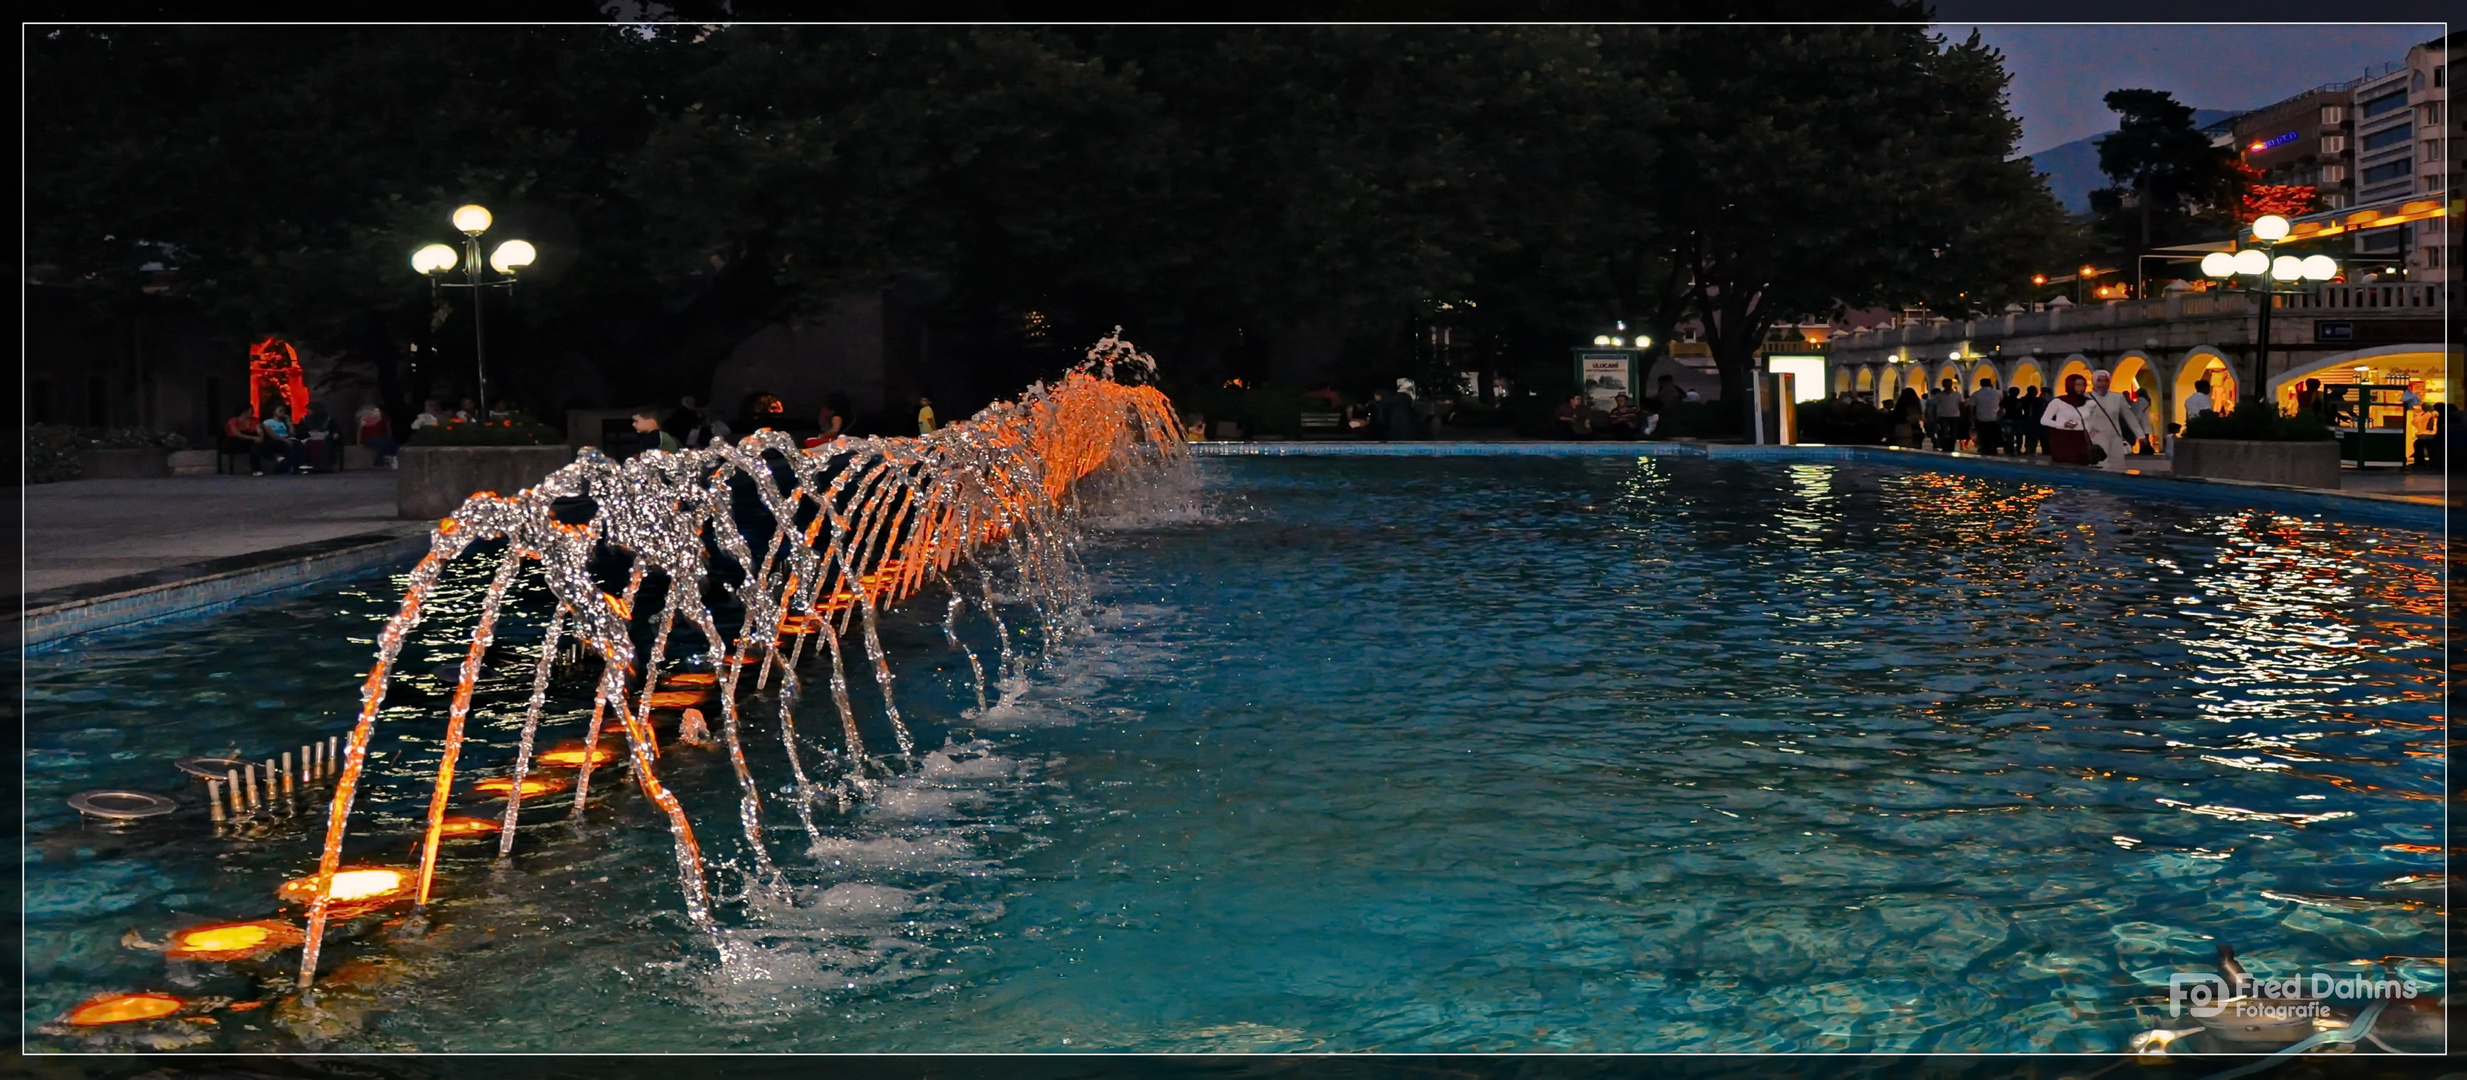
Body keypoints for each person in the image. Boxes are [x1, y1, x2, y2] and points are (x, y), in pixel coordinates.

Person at [2078, 369, 2148, 471]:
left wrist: (2140, 435)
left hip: (2115, 436)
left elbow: (2129, 417)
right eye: (2100, 381)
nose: (2103, 384)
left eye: (2105, 381)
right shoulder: (2086, 397)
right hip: (2096, 436)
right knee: (2101, 465)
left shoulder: (2117, 397)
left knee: (2118, 465)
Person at [2039, 374, 2093, 465]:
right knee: (2064, 466)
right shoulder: (2058, 402)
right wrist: (2063, 424)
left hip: (2081, 438)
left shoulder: (2089, 402)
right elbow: (2044, 420)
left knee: (2082, 464)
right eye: (2077, 385)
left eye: (2083, 385)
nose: (2081, 388)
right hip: (2063, 438)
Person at [223, 404, 272, 475]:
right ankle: (269, 458)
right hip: (237, 441)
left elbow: (259, 429)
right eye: (251, 411)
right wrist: (254, 438)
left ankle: (257, 468)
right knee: (253, 444)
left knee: (256, 446)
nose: (252, 413)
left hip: (252, 440)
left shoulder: (254, 420)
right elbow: (237, 434)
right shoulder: (233, 421)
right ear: (244, 412)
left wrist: (260, 435)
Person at [295, 402, 343, 472]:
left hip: (325, 437)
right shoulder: (305, 419)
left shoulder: (328, 419)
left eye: (309, 410)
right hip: (309, 438)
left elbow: (335, 429)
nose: (308, 412)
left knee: (327, 443)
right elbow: (301, 431)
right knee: (303, 444)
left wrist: (335, 433)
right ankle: (309, 465)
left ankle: (326, 466)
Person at [355, 404, 399, 468]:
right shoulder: (366, 418)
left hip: (381, 438)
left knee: (392, 443)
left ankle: (391, 462)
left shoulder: (384, 418)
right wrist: (358, 442)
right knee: (382, 444)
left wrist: (388, 438)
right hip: (369, 438)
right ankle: (378, 463)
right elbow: (359, 431)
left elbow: (388, 430)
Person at [1926, 379, 1964, 451]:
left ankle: (1951, 447)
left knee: (1954, 434)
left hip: (1955, 416)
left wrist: (1962, 414)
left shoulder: (1957, 394)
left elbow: (1962, 405)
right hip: (1943, 416)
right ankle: (1944, 446)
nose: (1948, 386)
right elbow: (1934, 406)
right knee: (1944, 433)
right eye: (1946, 384)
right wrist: (1934, 417)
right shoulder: (1939, 395)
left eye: (1950, 384)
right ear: (1943, 385)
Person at [1969, 376, 2003, 455]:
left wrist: (1972, 417)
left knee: (1983, 435)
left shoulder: (1976, 394)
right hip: (1994, 417)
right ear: (1990, 383)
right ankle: (1993, 448)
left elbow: (1972, 407)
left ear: (1981, 384)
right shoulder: (1997, 393)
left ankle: (1984, 448)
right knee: (1993, 434)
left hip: (1981, 417)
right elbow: (2002, 404)